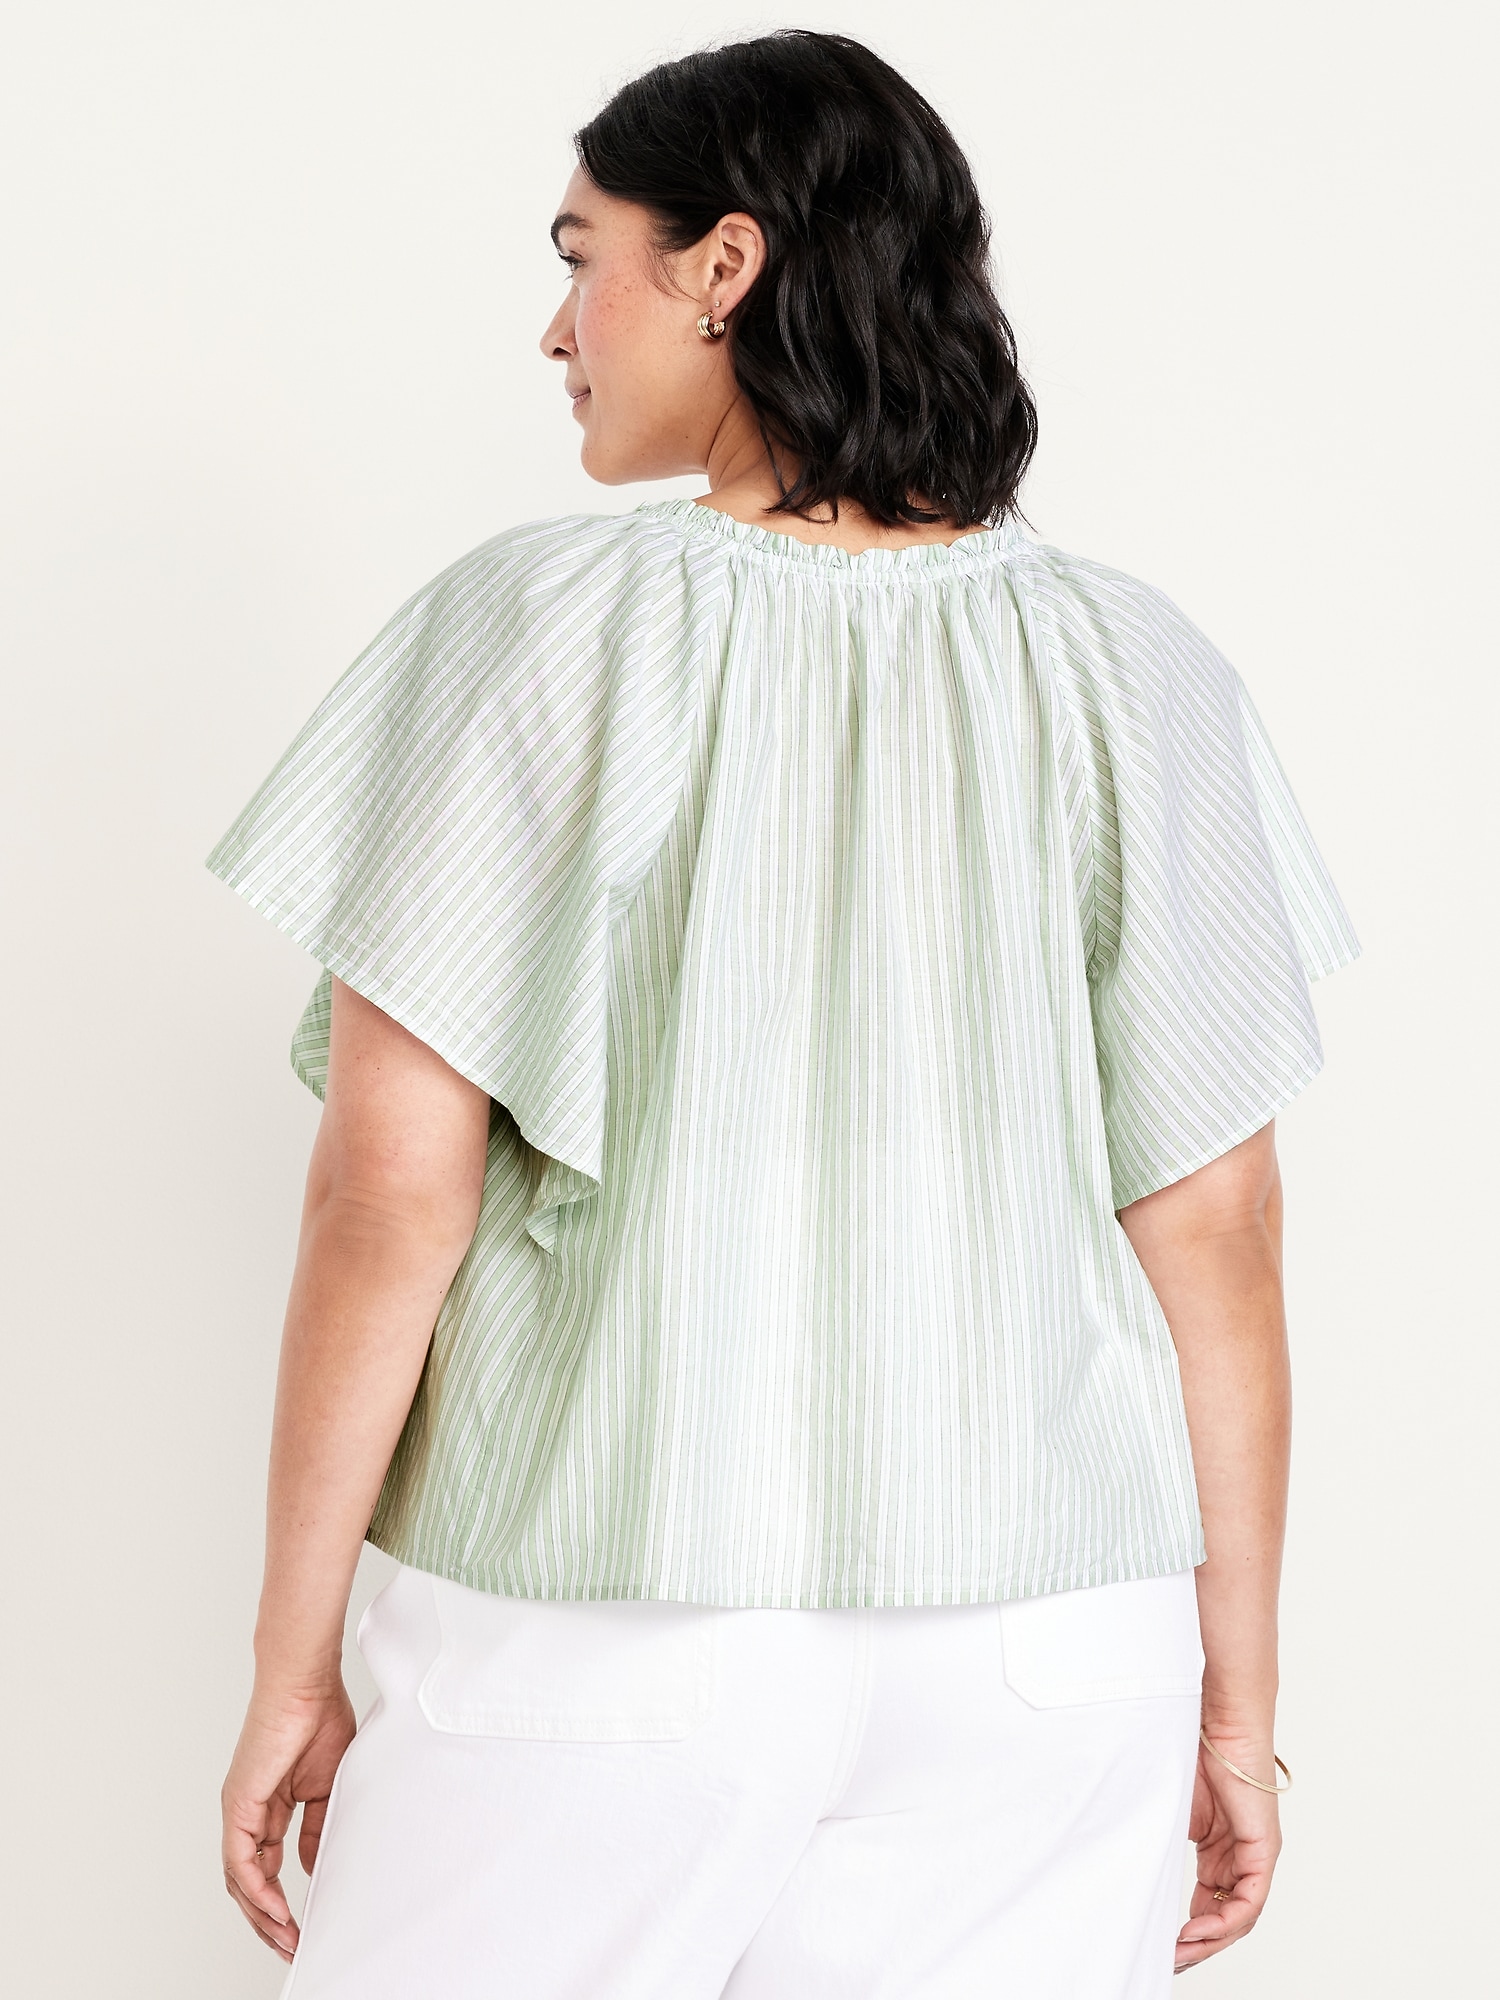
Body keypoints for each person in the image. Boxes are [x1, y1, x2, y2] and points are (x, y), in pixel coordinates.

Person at [211, 29, 1359, 1999]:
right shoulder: (1137, 667)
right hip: (1053, 1646)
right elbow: (1222, 1227)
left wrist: (289, 1660)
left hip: (607, 1619)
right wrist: (1235, 1705)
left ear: (722, 267)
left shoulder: (532, 628)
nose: (556, 329)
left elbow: (391, 1194)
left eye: (584, 260)